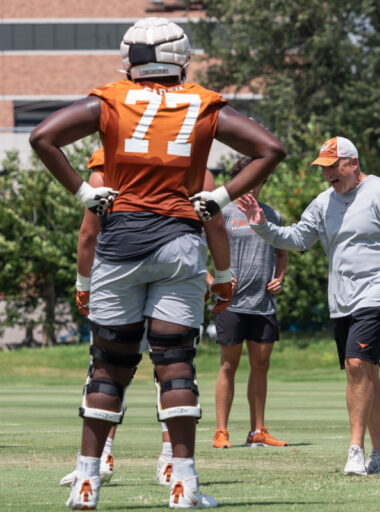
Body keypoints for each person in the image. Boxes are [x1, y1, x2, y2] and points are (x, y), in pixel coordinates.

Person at [29, 17, 285, 510]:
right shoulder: (204, 104)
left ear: (130, 60)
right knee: (175, 365)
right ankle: (183, 487)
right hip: (178, 245)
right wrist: (220, 197)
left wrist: (84, 190)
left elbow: (43, 137)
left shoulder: (109, 100)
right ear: (181, 58)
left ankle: (87, 485)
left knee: (107, 368)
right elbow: (269, 149)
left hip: (120, 242)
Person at [238, 136, 380, 475]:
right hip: (341, 300)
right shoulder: (324, 202)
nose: (327, 174)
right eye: (323, 168)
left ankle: (355, 450)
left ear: (352, 163)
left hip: (378, 294)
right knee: (366, 373)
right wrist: (262, 226)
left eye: (332, 166)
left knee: (357, 365)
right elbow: (298, 238)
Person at [60, 148, 233, 488]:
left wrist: (83, 285)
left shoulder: (105, 167)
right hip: (176, 266)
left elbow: (87, 235)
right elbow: (215, 224)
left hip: (117, 269)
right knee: (174, 369)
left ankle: (94, 466)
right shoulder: (192, 166)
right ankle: (175, 468)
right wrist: (222, 276)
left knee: (108, 369)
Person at [211, 156, 289, 450]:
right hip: (230, 304)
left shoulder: (272, 215)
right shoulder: (222, 213)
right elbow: (198, 251)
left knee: (261, 366)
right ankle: (221, 432)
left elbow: (281, 252)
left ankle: (258, 430)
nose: (252, 186)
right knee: (228, 366)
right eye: (246, 180)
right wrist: (215, 281)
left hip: (263, 304)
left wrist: (279, 277)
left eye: (257, 180)